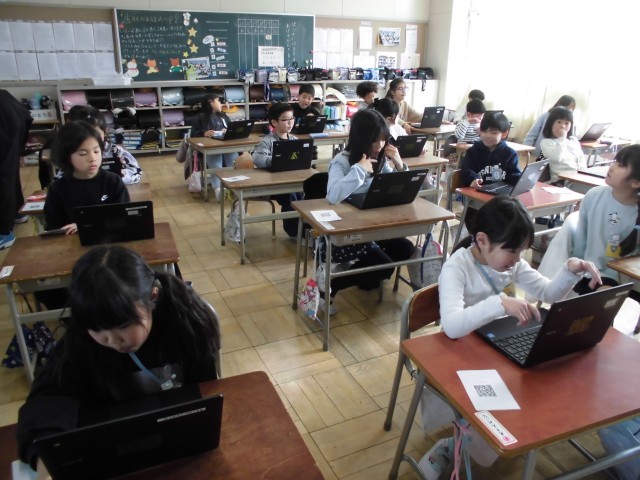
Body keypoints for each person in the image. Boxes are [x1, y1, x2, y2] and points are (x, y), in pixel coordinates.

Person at [16, 245, 222, 478]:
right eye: (97, 329)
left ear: (152, 298)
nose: (112, 340)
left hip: (176, 446)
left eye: (123, 326)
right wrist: (47, 458)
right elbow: (48, 399)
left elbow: (206, 390)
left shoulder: (185, 325)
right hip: (112, 453)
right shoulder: (79, 344)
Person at [322, 109, 415, 313]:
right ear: (361, 139)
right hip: (346, 231)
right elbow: (333, 195)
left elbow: (395, 188)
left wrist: (400, 165)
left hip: (374, 225)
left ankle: (367, 274)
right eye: (374, 140)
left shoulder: (380, 159)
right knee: (384, 264)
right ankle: (330, 285)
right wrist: (359, 170)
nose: (380, 145)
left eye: (383, 139)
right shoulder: (342, 161)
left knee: (406, 248)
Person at [571, 144, 640, 294]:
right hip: (593, 272)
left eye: (620, 165)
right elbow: (581, 239)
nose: (612, 167)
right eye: (615, 161)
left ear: (636, 183)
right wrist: (577, 267)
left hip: (628, 278)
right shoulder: (594, 195)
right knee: (605, 295)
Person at [43, 121, 130, 233]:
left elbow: (123, 217)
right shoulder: (57, 189)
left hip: (109, 238)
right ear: (67, 157)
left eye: (96, 151)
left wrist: (87, 225)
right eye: (83, 154)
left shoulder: (113, 181)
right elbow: (52, 226)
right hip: (72, 241)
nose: (92, 158)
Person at [252, 102, 303, 237]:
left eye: (292, 118)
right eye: (285, 120)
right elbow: (257, 159)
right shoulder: (267, 141)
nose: (290, 122)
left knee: (306, 192)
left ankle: (305, 228)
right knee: (291, 195)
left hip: (292, 180)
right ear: (274, 122)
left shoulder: (295, 140)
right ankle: (293, 231)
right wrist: (276, 160)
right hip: (274, 185)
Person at [68, 105, 142, 185]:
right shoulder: (71, 153)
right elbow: (61, 179)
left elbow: (136, 173)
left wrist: (119, 176)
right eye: (83, 135)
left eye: (96, 134)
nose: (90, 140)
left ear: (105, 132)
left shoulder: (115, 151)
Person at [0, 89, 33, 250]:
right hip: (13, 114)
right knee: (9, 170)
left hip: (5, 119)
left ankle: (3, 232)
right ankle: (17, 211)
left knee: (4, 175)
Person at [191, 94, 238, 201]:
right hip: (210, 147)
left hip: (227, 145)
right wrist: (203, 133)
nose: (221, 104)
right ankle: (218, 189)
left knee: (233, 161)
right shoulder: (200, 117)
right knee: (216, 162)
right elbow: (193, 134)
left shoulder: (223, 116)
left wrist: (228, 131)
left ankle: (234, 186)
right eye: (218, 101)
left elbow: (232, 128)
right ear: (211, 102)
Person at [460, 112, 521, 188]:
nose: (488, 136)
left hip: (500, 192)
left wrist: (521, 179)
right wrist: (473, 179)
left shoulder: (510, 154)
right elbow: (466, 170)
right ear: (479, 131)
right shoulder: (472, 152)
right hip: (477, 191)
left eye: (494, 133)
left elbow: (514, 174)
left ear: (504, 134)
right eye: (484, 131)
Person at [540, 106, 586, 184]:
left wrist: (583, 174)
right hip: (560, 181)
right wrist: (562, 138)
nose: (563, 126)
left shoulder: (573, 140)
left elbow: (582, 160)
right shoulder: (546, 142)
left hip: (577, 178)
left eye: (567, 123)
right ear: (551, 124)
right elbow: (556, 159)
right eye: (559, 122)